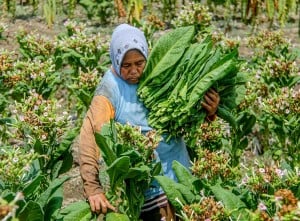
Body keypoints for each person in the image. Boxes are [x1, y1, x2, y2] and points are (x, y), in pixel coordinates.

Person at [78, 23, 220, 221]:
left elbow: (186, 117)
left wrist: (209, 112)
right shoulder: (109, 89)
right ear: (115, 60)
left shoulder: (162, 71)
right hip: (145, 191)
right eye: (126, 66)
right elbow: (90, 137)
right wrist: (93, 188)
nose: (134, 71)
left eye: (139, 63)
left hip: (180, 176)